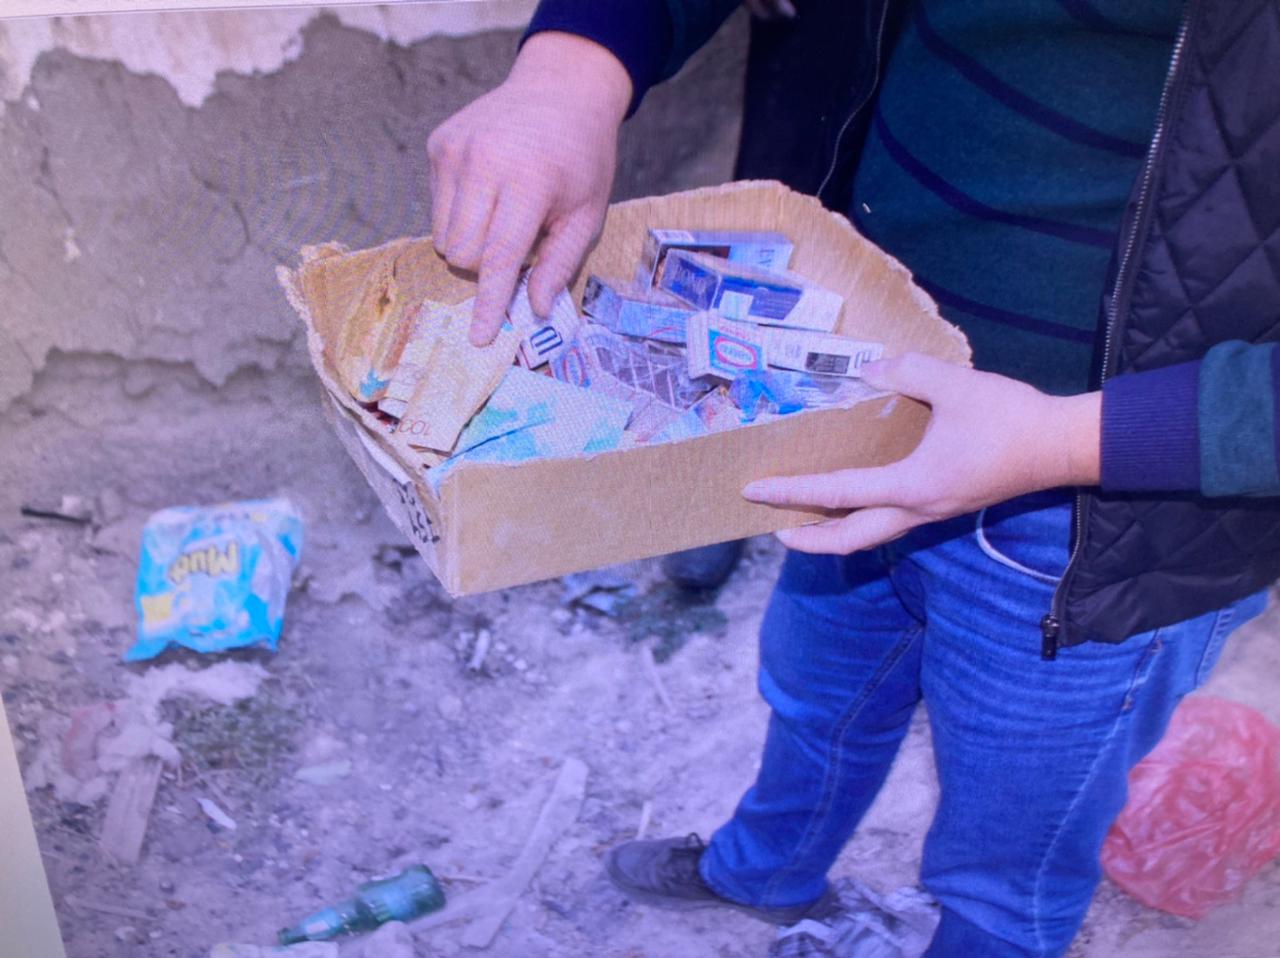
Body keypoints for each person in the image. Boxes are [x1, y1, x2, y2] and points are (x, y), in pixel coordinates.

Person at [427, 2, 1280, 955]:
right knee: (815, 696)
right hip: (865, 394)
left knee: (1006, 862)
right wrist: (575, 66)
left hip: (1112, 505)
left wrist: (1066, 442)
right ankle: (762, 872)